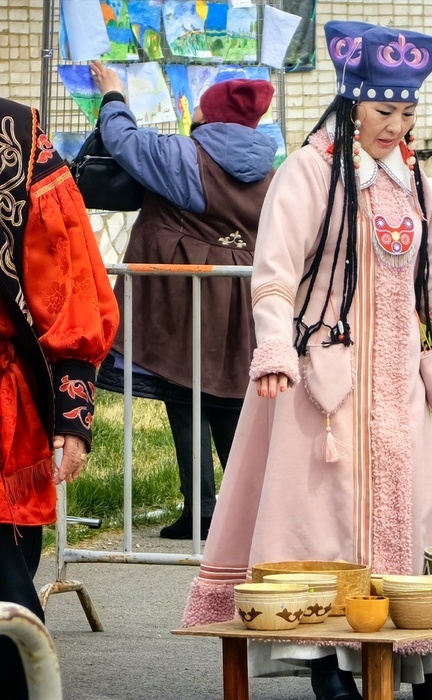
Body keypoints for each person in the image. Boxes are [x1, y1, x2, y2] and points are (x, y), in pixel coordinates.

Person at [182, 21, 432, 700]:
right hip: (320, 384)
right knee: (320, 527)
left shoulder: (413, 182)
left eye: (407, 113)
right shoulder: (307, 172)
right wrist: (275, 347)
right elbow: (273, 277)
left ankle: (419, 670)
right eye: (385, 110)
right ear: (351, 103)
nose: (396, 126)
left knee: (410, 523)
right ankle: (327, 666)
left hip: (397, 390)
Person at [89, 63, 277, 538]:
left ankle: (202, 510)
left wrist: (113, 95)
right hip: (240, 294)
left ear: (207, 114)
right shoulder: (273, 169)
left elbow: (123, 140)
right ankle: (250, 511)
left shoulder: (185, 156)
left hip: (184, 293)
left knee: (185, 394)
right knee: (231, 395)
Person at [0, 97, 119, 700]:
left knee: (6, 591)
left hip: (4, 411)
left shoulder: (15, 138)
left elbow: (69, 279)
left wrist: (73, 413)